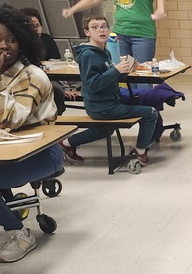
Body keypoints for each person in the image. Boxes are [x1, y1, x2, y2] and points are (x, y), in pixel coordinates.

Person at [0, 5, 61, 263]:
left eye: (11, 40)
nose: (5, 46)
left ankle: (19, 232)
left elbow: (11, 119)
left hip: (39, 153)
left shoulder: (32, 75)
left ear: (23, 42)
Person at [60, 15, 157, 168]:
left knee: (105, 130)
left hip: (109, 101)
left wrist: (125, 69)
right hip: (102, 106)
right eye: (95, 27)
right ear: (87, 32)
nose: (101, 30)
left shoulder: (105, 52)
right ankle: (140, 150)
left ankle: (66, 143)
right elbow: (92, 84)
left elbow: (108, 77)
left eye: (104, 26)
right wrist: (116, 70)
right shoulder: (88, 55)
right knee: (150, 112)